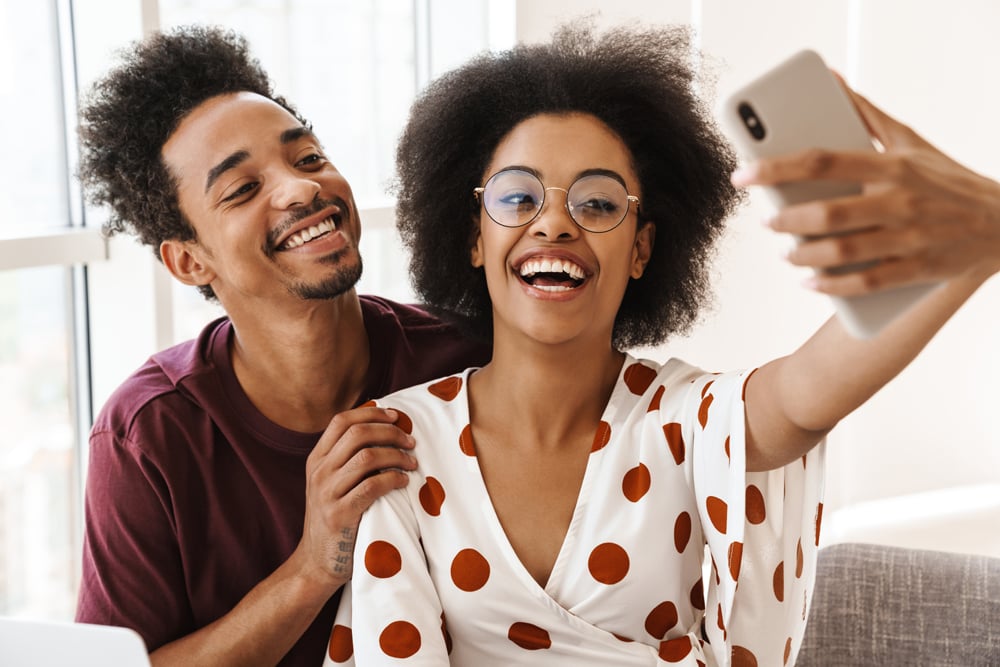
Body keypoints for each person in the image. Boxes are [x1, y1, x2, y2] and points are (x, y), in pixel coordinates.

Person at [322, 23, 999, 666]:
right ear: (474, 236)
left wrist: (981, 237)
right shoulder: (396, 443)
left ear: (642, 247)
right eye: (518, 198)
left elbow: (802, 397)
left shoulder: (681, 416)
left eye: (598, 203)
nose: (554, 223)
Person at [73, 26, 488, 667]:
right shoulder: (148, 434)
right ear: (188, 261)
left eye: (309, 157)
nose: (300, 190)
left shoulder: (467, 359)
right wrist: (312, 566)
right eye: (241, 189)